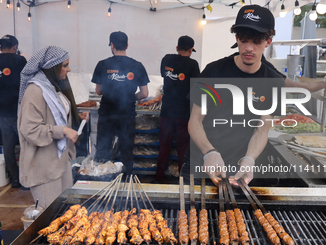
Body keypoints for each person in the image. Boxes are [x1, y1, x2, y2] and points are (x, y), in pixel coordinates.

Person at [189, 5, 285, 187]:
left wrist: (250, 158)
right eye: (244, 39)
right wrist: (209, 152)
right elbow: (195, 120)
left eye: (257, 41)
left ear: (268, 42)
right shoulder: (213, 72)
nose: (249, 48)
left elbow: (261, 129)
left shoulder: (274, 81)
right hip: (202, 161)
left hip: (238, 168)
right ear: (236, 38)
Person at [17, 46, 89, 208]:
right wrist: (63, 131)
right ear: (52, 67)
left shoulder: (52, 88)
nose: (68, 70)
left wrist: (76, 116)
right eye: (65, 65)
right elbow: (30, 129)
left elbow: (56, 114)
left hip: (60, 162)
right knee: (50, 216)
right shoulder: (35, 91)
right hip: (44, 168)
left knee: (66, 212)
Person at [92, 31, 149, 176]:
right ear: (127, 45)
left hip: (106, 114)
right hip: (127, 114)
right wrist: (130, 97)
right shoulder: (137, 65)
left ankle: (100, 181)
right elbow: (144, 94)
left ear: (112, 45)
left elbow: (98, 91)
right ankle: (126, 181)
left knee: (103, 150)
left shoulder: (102, 64)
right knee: (126, 150)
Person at [156, 36, 200, 183]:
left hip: (167, 112)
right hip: (184, 114)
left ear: (177, 48)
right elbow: (197, 89)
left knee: (164, 148)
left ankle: (159, 179)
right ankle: (183, 182)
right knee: (183, 150)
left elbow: (164, 76)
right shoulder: (193, 64)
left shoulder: (166, 59)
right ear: (191, 50)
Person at [0, 35, 27, 188]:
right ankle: (25, 178)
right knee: (25, 145)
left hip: (2, 112)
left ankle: (14, 179)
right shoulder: (20, 61)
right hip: (19, 111)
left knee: (8, 146)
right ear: (15, 47)